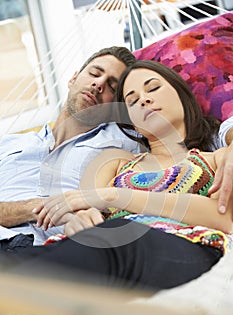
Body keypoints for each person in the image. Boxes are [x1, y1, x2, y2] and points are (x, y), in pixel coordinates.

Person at [2, 60, 232, 293]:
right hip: (112, 252)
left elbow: (225, 217)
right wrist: (82, 220)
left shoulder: (218, 157)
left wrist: (115, 196)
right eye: (132, 101)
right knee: (35, 258)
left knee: (123, 239)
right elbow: (86, 217)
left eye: (152, 88)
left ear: (181, 94)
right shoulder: (115, 162)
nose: (143, 100)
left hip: (190, 247)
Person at [0, 46, 139, 246]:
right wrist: (44, 206)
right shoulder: (10, 143)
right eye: (94, 73)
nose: (98, 84)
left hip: (38, 253)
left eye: (112, 86)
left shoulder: (122, 142)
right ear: (73, 78)